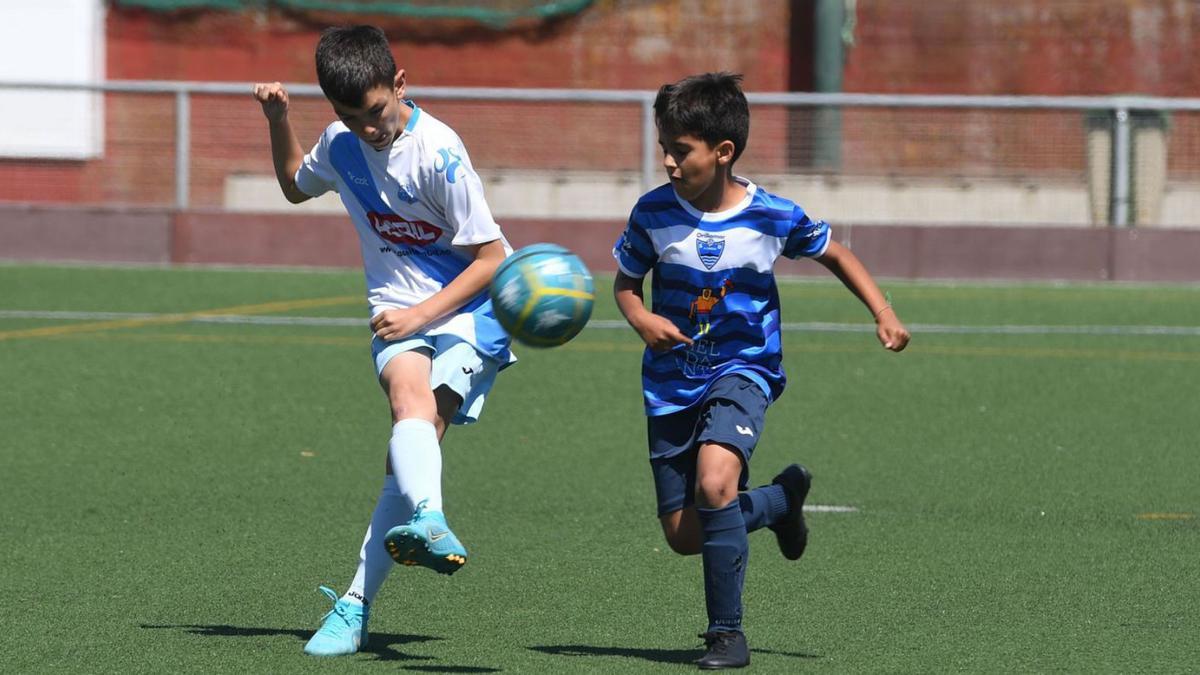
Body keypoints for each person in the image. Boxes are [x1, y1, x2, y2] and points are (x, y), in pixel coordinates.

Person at [612, 72, 909, 670]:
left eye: (681, 149)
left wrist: (882, 310)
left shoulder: (771, 215)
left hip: (744, 370)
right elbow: (625, 282)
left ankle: (727, 635)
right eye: (663, 147)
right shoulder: (651, 213)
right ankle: (778, 503)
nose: (668, 161)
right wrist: (640, 317)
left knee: (716, 485)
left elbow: (836, 252)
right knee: (683, 535)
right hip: (671, 382)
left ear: (723, 152)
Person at [252, 25, 515, 657]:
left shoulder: (440, 152)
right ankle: (422, 527)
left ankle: (356, 605)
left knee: (410, 445)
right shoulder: (341, 144)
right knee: (408, 412)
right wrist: (278, 119)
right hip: (399, 311)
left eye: (375, 112)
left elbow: (493, 257)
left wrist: (422, 315)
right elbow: (294, 184)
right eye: (351, 117)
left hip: (470, 310)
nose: (368, 128)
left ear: (400, 84)